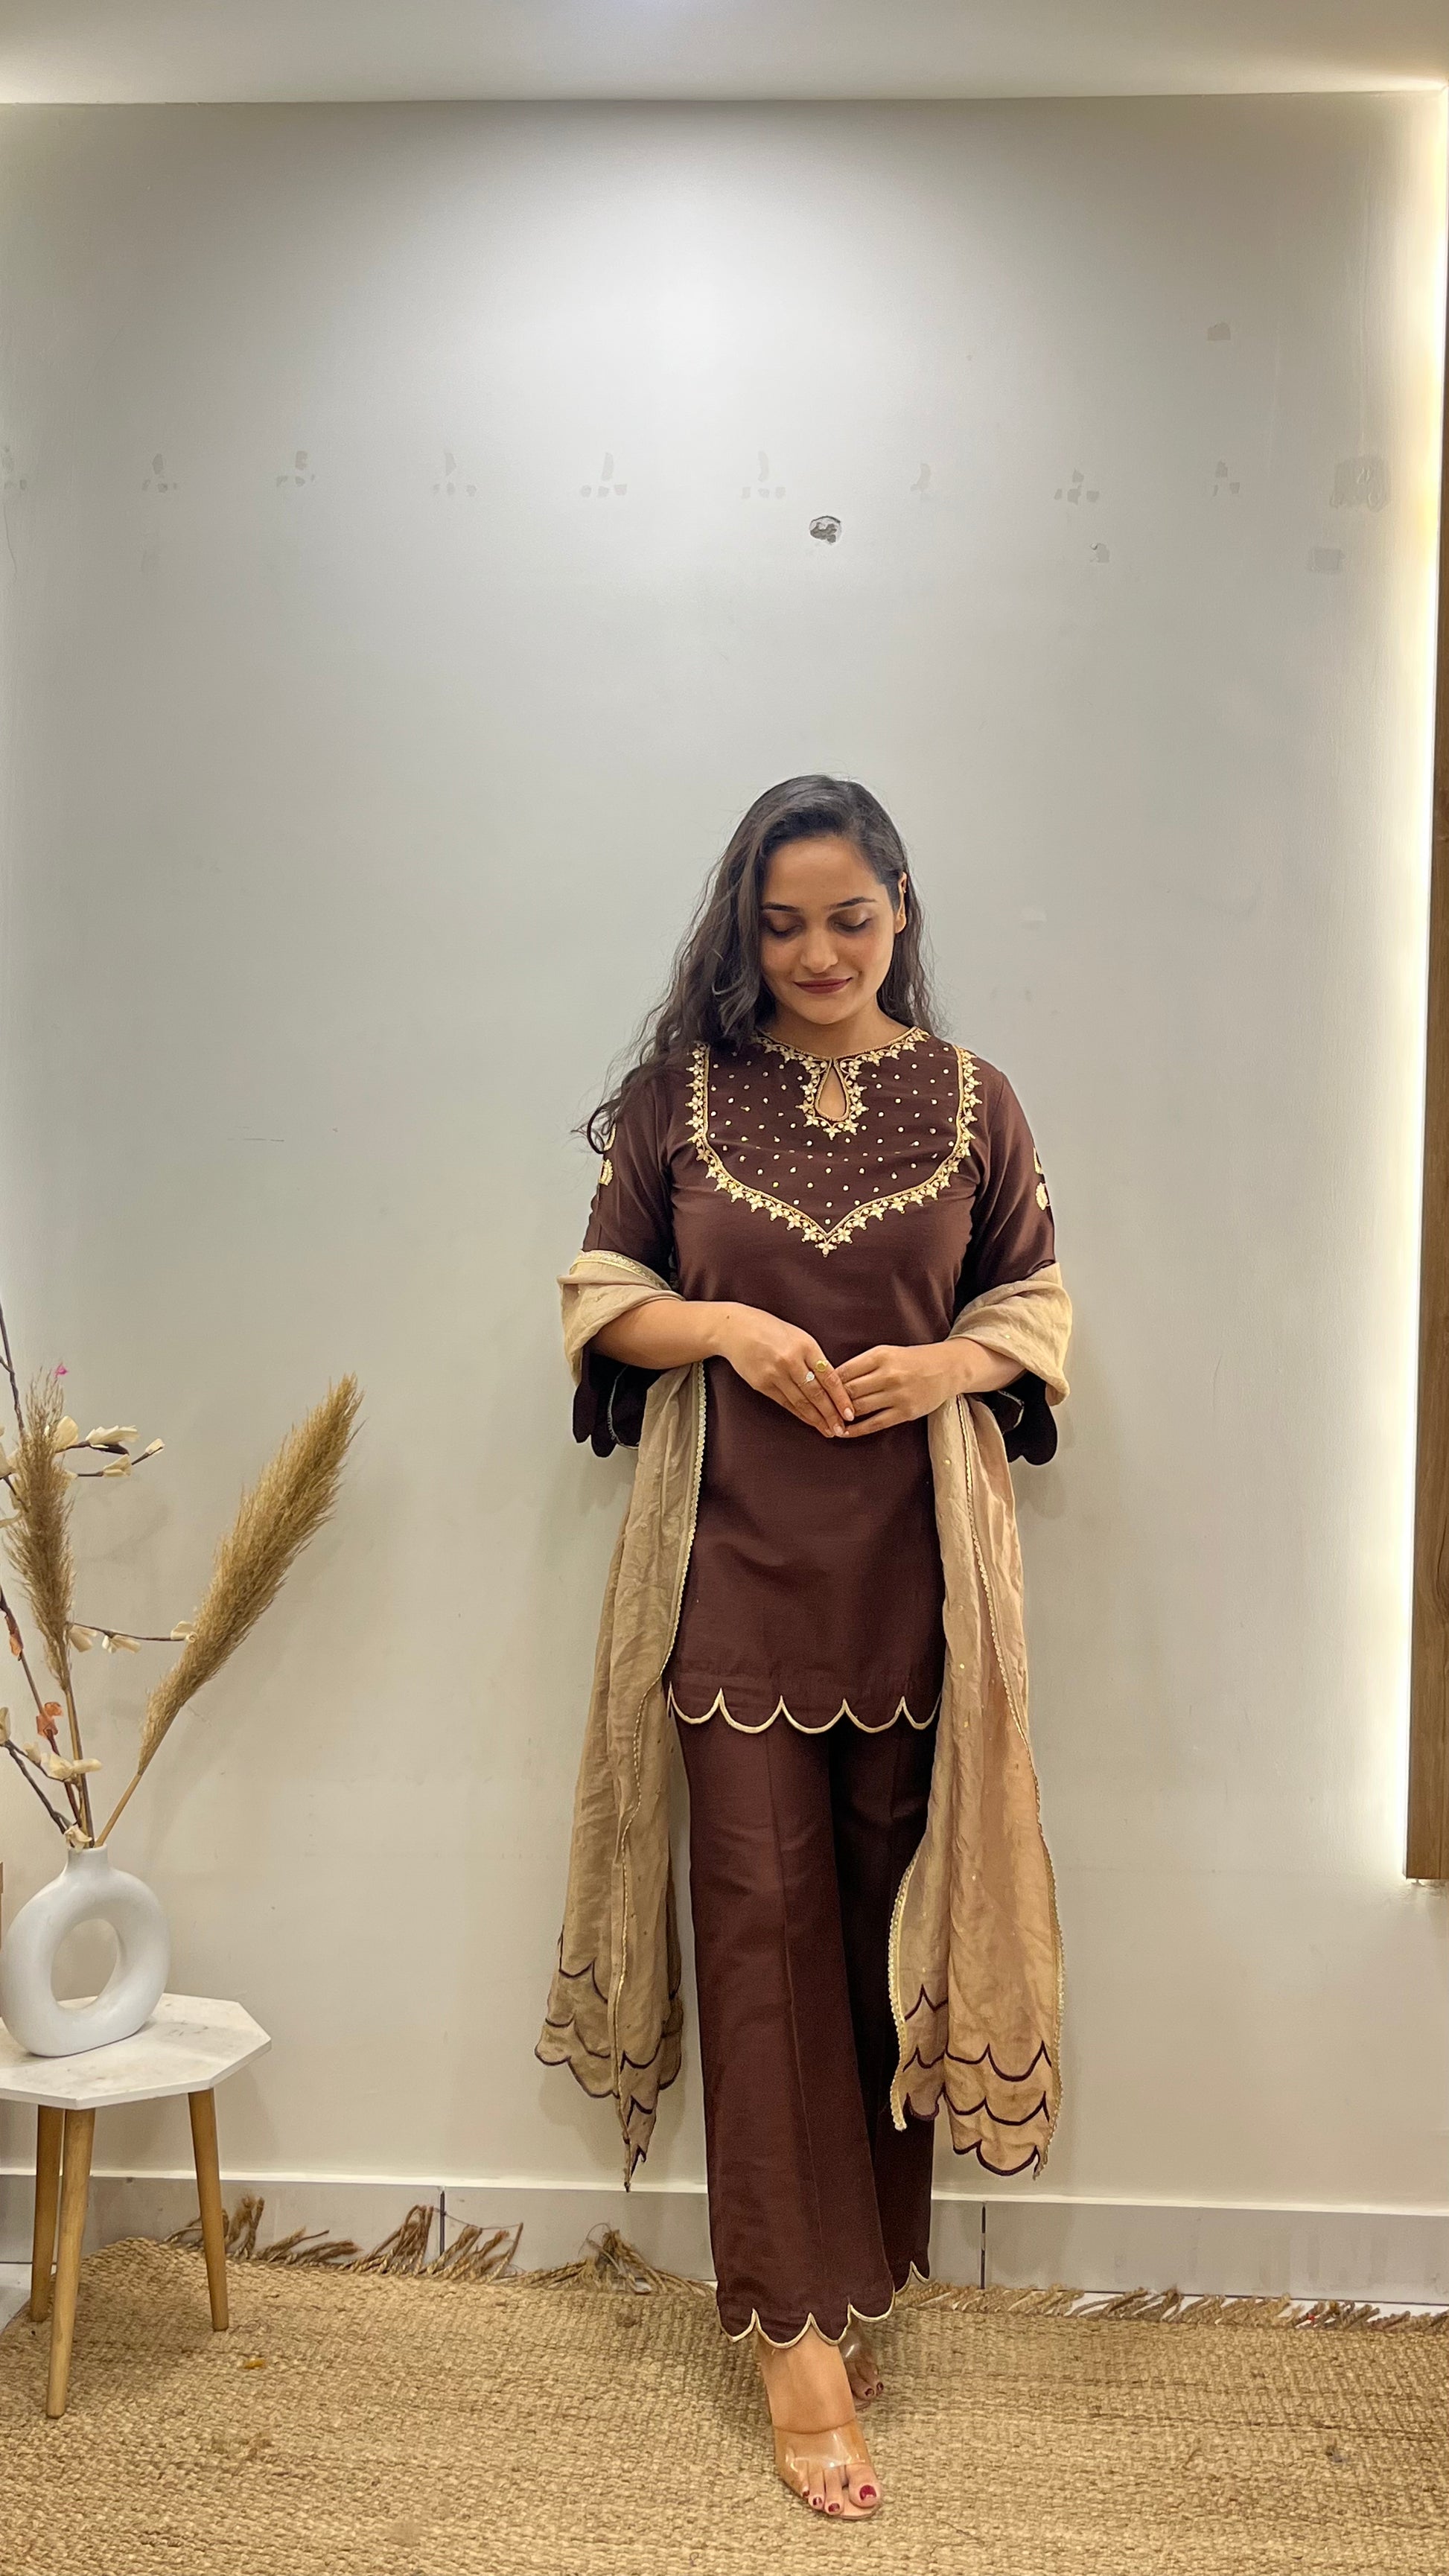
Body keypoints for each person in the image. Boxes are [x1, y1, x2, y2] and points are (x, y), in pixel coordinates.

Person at [538, 775, 1071, 2519]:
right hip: (731, 1581)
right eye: (781, 925)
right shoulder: (677, 1100)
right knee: (756, 1933)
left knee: (876, 1946)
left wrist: (948, 1366)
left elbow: (1032, 1302)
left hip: (918, 1591)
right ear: (742, 930)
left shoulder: (975, 1100)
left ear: (900, 907)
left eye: (849, 916)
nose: (818, 951)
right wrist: (727, 1327)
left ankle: (851, 2275)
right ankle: (789, 2332)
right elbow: (597, 1293)